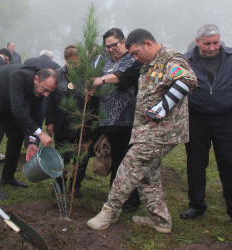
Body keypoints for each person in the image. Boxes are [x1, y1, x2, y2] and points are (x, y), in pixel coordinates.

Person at [87, 28, 197, 234]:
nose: (135, 58)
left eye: (136, 53)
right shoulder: (148, 63)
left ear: (148, 43)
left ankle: (109, 211)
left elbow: (187, 80)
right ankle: (161, 220)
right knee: (148, 176)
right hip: (146, 130)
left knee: (129, 166)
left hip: (163, 131)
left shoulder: (169, 58)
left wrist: (162, 107)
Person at [0, 65, 58, 200]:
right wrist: (40, 134)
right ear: (36, 79)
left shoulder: (40, 87)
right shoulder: (20, 76)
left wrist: (31, 141)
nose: (46, 95)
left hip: (7, 102)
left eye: (49, 92)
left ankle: (7, 177)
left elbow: (34, 114)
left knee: (17, 134)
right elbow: (18, 111)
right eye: (45, 90)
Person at [181, 24, 232, 222]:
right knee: (196, 163)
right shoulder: (186, 61)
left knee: (228, 163)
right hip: (196, 119)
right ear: (197, 42)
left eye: (215, 43)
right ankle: (196, 204)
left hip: (226, 119)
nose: (212, 47)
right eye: (207, 44)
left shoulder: (230, 57)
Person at [93, 28, 142, 212]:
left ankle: (130, 200)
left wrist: (101, 80)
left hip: (127, 121)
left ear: (123, 41)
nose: (111, 49)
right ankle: (116, 196)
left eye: (114, 45)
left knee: (127, 161)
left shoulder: (133, 60)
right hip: (109, 121)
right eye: (107, 47)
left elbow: (124, 78)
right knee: (116, 159)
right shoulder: (106, 63)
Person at [46, 44, 97, 197]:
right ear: (66, 60)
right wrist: (49, 121)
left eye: (77, 63)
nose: (74, 66)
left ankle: (75, 185)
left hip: (82, 125)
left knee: (80, 158)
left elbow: (95, 102)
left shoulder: (88, 76)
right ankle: (60, 184)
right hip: (62, 123)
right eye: (71, 63)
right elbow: (50, 101)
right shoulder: (57, 75)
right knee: (62, 156)